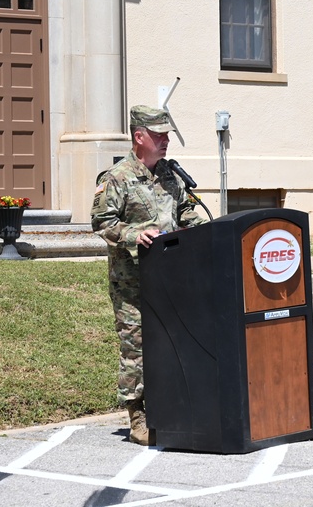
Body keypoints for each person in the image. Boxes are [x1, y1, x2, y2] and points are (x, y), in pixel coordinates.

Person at [90, 105, 206, 444]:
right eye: (159, 135)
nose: (166, 140)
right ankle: (137, 416)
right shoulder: (117, 178)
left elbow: (186, 212)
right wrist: (133, 235)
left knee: (172, 343)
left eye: (167, 134)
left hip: (171, 277)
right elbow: (102, 223)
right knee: (137, 347)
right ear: (139, 136)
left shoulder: (171, 175)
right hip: (132, 281)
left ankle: (171, 406)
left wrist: (209, 231)